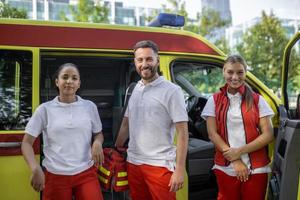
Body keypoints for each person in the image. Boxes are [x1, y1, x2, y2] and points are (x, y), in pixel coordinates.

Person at [115, 40, 189, 200]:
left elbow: (182, 133)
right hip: (133, 162)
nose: (144, 64)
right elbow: (126, 124)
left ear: (157, 60)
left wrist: (179, 170)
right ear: (135, 62)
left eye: (149, 59)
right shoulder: (135, 89)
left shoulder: (172, 91)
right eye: (140, 60)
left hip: (160, 166)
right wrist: (116, 150)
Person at [21, 63, 104, 200]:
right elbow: (26, 143)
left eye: (74, 78)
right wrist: (35, 168)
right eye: (65, 77)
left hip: (86, 172)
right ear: (57, 82)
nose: (69, 81)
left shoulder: (89, 107)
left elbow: (98, 134)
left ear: (79, 84)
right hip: (55, 175)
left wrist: (97, 143)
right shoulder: (44, 110)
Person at [201, 55, 274, 200]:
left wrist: (239, 152)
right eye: (230, 72)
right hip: (226, 167)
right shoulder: (213, 100)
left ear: (245, 73)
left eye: (240, 72)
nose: (235, 77)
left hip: (256, 168)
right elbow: (212, 134)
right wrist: (235, 160)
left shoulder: (257, 100)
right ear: (223, 72)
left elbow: (268, 134)